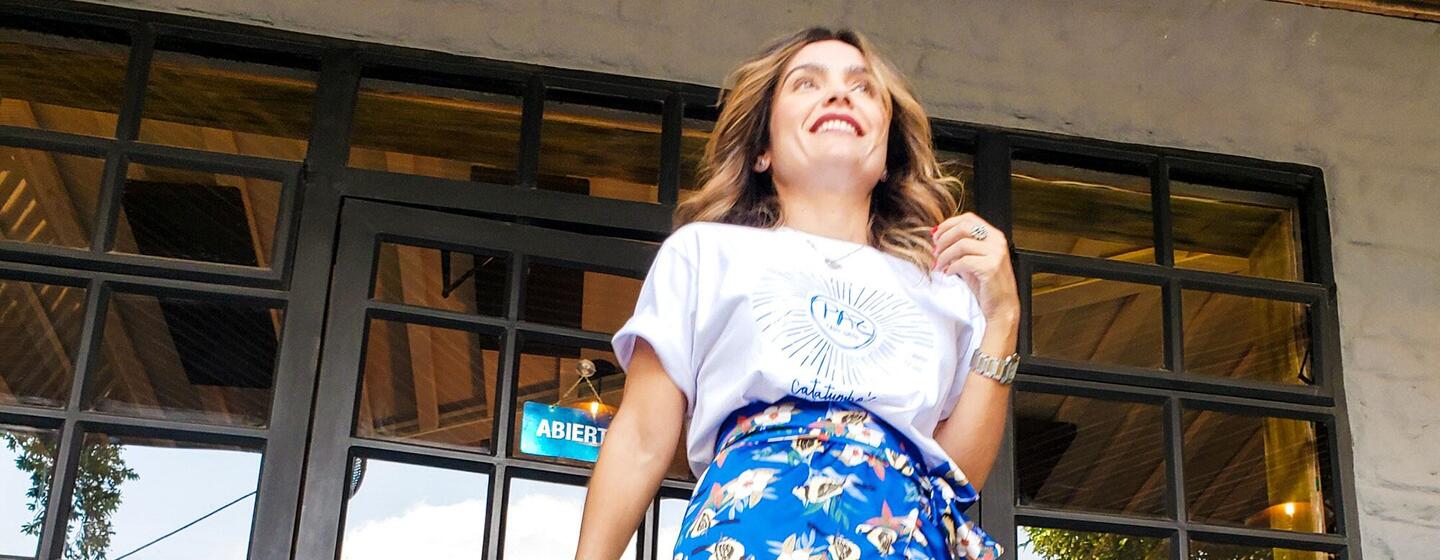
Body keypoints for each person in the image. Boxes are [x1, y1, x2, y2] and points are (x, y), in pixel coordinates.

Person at [576, 27, 1017, 560]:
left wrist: (1002, 319)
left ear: (887, 155)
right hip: (743, 537)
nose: (839, 94)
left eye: (863, 87)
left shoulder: (942, 286)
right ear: (761, 150)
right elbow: (643, 439)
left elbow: (957, 476)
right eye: (807, 83)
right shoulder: (704, 253)